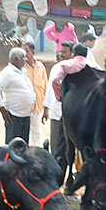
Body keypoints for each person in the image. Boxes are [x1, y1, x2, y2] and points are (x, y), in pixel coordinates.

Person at [0, 47, 36, 144]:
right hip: (14, 115)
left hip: (25, 115)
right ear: (16, 59)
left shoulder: (22, 72)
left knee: (24, 146)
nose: (25, 60)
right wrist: (3, 111)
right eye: (23, 58)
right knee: (13, 147)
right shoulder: (7, 73)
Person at [44, 43, 71, 176]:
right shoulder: (56, 68)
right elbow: (50, 89)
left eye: (65, 52)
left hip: (71, 114)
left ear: (72, 54)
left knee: (69, 148)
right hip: (56, 113)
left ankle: (67, 175)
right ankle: (56, 177)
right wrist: (46, 108)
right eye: (61, 52)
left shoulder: (74, 69)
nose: (61, 54)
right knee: (56, 147)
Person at [23, 42, 47, 146]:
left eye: (27, 51)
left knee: (37, 132)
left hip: (38, 105)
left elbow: (45, 85)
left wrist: (46, 107)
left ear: (33, 52)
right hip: (24, 106)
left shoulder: (40, 66)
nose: (25, 54)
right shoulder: (21, 68)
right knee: (25, 133)